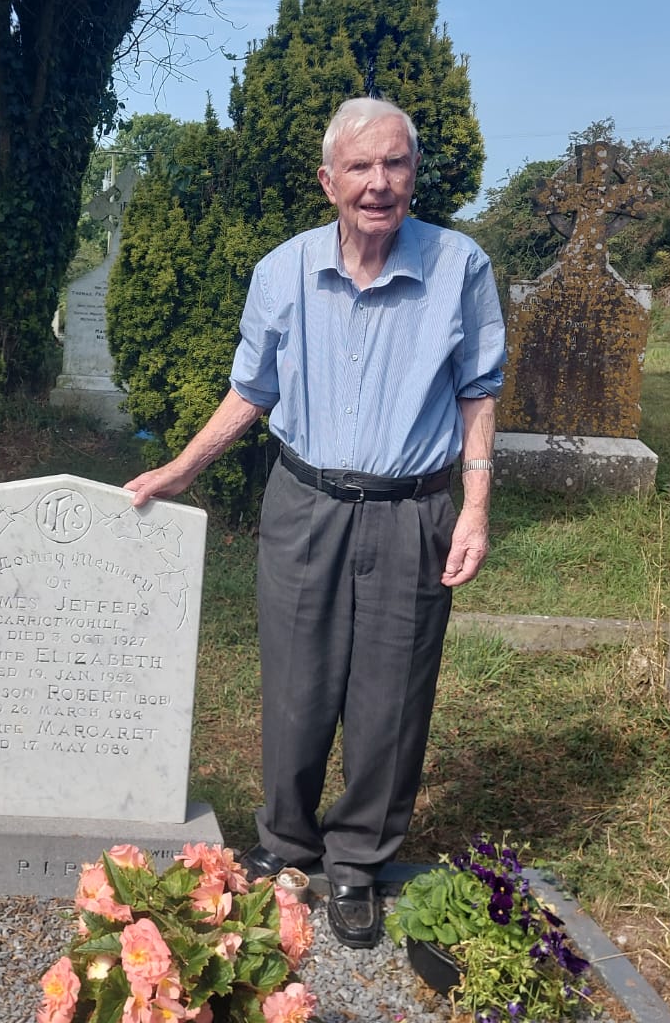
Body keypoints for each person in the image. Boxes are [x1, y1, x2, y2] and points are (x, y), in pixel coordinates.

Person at [126, 98, 505, 949]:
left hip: (413, 510)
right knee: (296, 685)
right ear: (329, 181)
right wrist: (183, 468)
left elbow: (479, 391)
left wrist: (476, 508)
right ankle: (286, 846)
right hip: (304, 505)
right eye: (360, 167)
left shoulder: (460, 267)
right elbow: (252, 389)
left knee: (391, 696)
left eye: (395, 163)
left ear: (414, 173)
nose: (379, 183)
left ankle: (360, 860)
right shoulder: (284, 271)